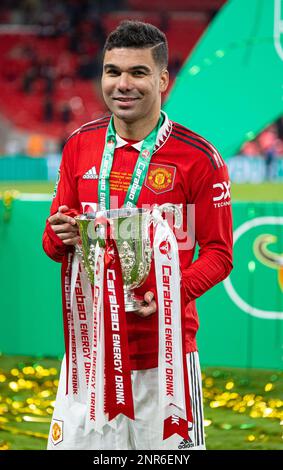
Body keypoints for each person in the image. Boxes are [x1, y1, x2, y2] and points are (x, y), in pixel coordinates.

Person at [43, 20, 233, 450]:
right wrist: (60, 234)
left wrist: (169, 294)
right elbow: (53, 245)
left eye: (138, 73)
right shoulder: (79, 145)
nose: (122, 84)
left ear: (163, 79)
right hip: (89, 358)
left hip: (166, 359)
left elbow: (220, 254)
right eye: (113, 71)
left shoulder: (200, 158)